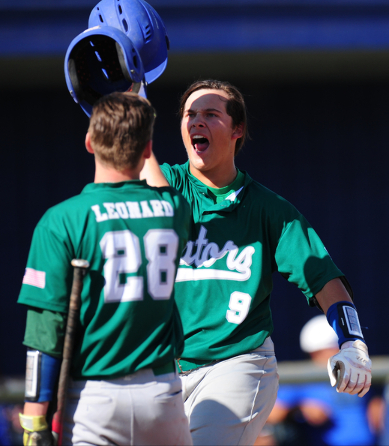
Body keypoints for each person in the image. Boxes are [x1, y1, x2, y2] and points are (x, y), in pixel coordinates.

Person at [140, 79, 372, 446]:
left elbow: (323, 278)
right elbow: (143, 179)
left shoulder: (268, 209)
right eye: (190, 114)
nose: (197, 122)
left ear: (238, 130)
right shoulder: (167, 182)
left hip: (237, 364)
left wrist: (353, 342)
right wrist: (131, 98)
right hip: (163, 371)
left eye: (211, 114)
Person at [17, 92, 193, 446]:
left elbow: (45, 331)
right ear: (147, 150)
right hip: (163, 396)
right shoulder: (174, 209)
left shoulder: (62, 219)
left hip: (93, 399)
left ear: (88, 142)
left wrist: (35, 417)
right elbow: (160, 188)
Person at [262, 315, 375, 446]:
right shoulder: (303, 379)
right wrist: (300, 409)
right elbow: (272, 414)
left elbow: (369, 409)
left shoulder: (355, 373)